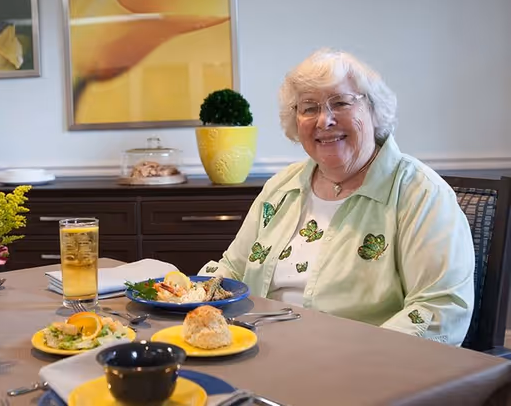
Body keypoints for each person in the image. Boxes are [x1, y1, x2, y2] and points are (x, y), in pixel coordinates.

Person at [200, 48, 475, 346]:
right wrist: (186, 297)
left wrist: (358, 360)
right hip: (258, 350)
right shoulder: (281, 187)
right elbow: (233, 268)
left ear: (373, 109)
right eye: (309, 108)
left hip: (363, 371)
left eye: (341, 103)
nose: (324, 120)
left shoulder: (419, 193)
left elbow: (438, 310)